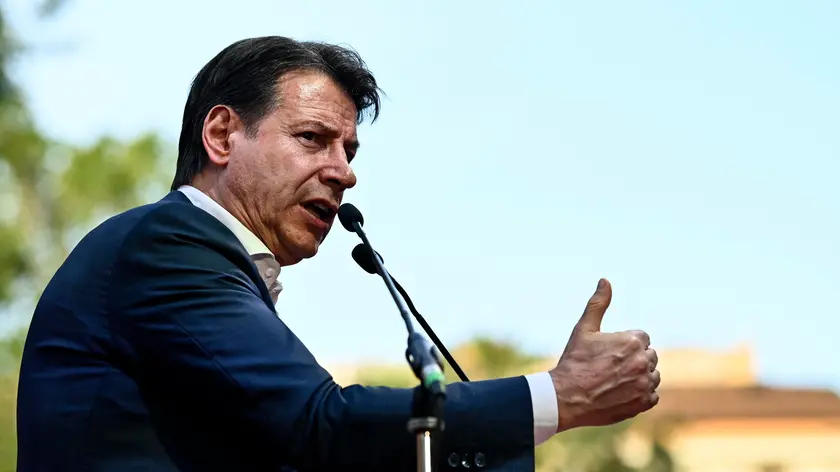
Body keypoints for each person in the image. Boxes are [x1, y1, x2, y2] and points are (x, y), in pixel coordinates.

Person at [16, 36, 660, 471]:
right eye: (312, 138)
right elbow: (319, 424)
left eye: (348, 151)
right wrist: (555, 397)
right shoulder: (169, 248)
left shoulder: (197, 259)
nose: (344, 172)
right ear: (222, 135)